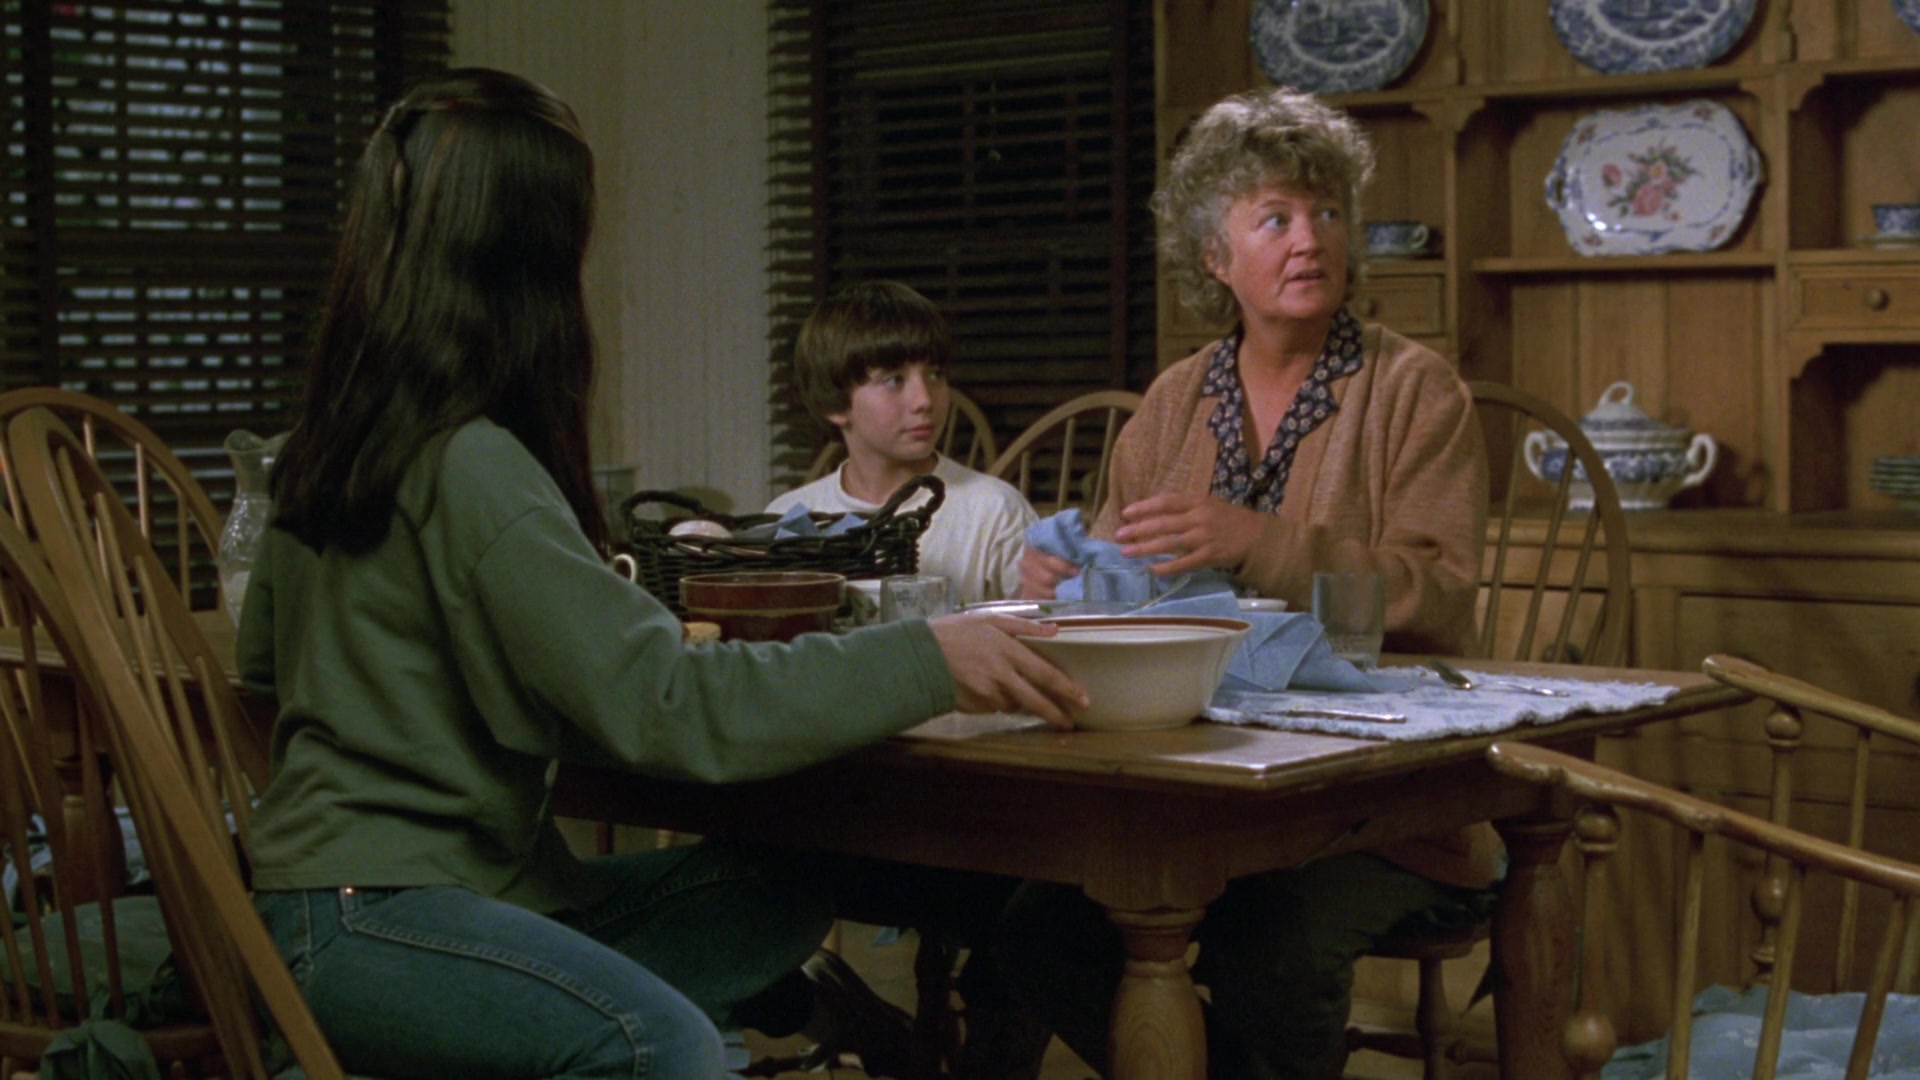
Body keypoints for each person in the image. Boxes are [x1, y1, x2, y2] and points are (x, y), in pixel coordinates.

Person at [237, 68, 1086, 1080]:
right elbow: (667, 703)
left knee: (773, 890)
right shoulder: (471, 465)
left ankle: (768, 1012)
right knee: (663, 1042)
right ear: (528, 263)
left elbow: (263, 666)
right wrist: (929, 657)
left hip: (439, 888)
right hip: (374, 915)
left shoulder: (330, 447)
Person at [1000, 86, 1495, 1079]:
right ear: (1214, 257)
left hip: (1385, 810)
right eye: (1275, 217)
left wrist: (1262, 541)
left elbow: (1436, 591)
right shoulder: (1174, 402)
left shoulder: (1414, 390)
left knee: (1274, 945)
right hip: (1205, 797)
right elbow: (1121, 582)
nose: (1310, 238)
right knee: (1034, 932)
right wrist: (1066, 579)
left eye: (1327, 212)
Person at [768, 280, 1035, 606]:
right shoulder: (788, 520)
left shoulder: (994, 512)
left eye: (935, 374)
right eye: (894, 380)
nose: (925, 400)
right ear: (834, 404)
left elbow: (1042, 624)